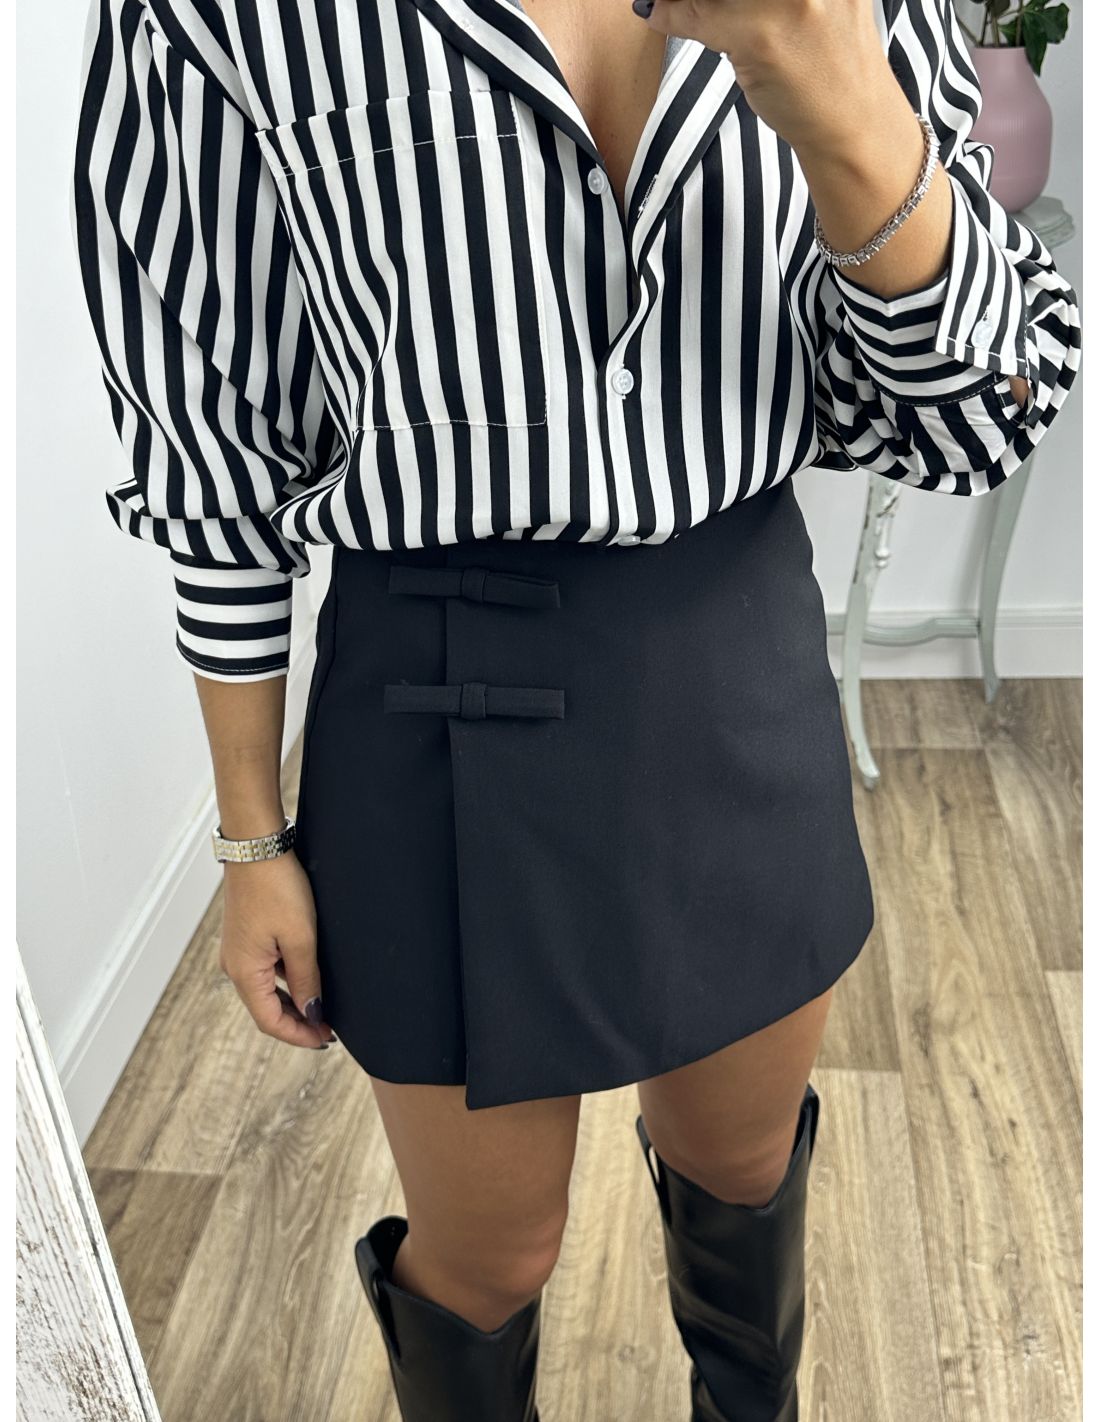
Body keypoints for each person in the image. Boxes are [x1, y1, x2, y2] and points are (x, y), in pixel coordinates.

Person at [70, 0, 1080, 1417]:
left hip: (727, 652)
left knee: (744, 1168)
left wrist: (846, 102)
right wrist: (250, 838)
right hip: (430, 690)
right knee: (489, 1254)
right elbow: (214, 457)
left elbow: (974, 418)